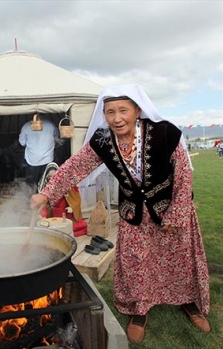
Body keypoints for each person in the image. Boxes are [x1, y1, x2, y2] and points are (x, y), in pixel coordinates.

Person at [30, 84, 211, 343]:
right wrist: (46, 194)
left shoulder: (164, 133)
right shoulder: (103, 140)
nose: (116, 118)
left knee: (178, 257)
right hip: (133, 211)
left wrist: (177, 213)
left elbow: (183, 174)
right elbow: (74, 168)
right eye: (110, 112)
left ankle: (188, 302)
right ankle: (140, 310)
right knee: (137, 261)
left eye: (123, 110)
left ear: (137, 110)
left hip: (168, 208)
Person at [19, 114, 61, 193]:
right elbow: (57, 139)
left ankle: (31, 203)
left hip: (31, 159)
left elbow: (22, 143)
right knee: (46, 185)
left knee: (31, 186)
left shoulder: (26, 126)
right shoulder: (50, 125)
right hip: (47, 159)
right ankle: (45, 203)